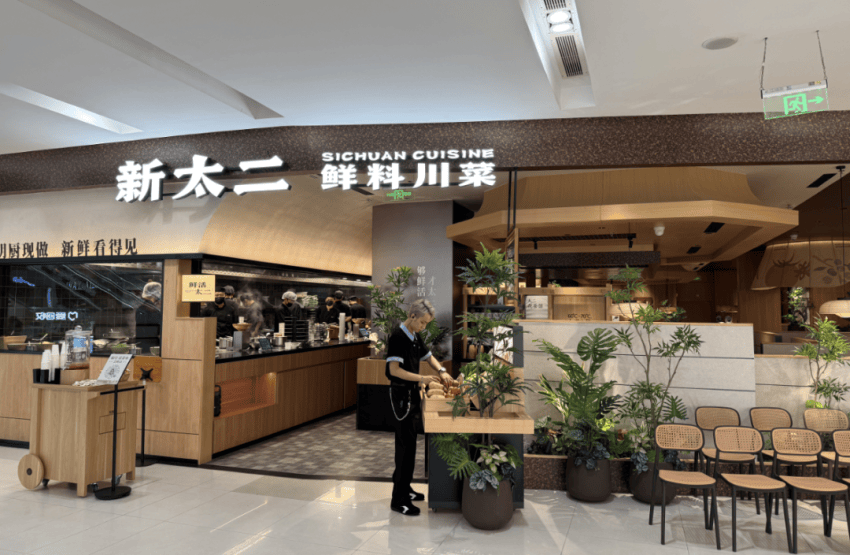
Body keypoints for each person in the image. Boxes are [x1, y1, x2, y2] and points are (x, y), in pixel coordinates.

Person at [386, 299, 451, 516]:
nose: (424, 327)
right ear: (412, 316)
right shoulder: (398, 336)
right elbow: (394, 370)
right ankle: (399, 500)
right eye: (422, 322)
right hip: (401, 398)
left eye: (426, 324)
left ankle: (406, 488)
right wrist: (423, 378)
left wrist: (442, 371)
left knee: (410, 445)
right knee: (404, 448)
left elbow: (428, 357)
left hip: (411, 395)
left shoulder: (414, 335)